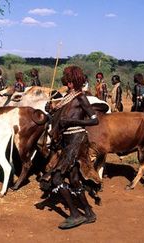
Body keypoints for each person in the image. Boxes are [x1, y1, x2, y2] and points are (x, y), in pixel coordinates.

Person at [41, 65, 100, 230]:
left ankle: (75, 214)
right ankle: (88, 212)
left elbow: (94, 120)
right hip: (67, 140)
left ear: (74, 81)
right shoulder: (67, 97)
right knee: (74, 179)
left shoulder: (81, 97)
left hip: (77, 139)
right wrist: (50, 111)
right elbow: (61, 117)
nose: (66, 82)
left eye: (68, 79)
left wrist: (73, 122)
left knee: (57, 178)